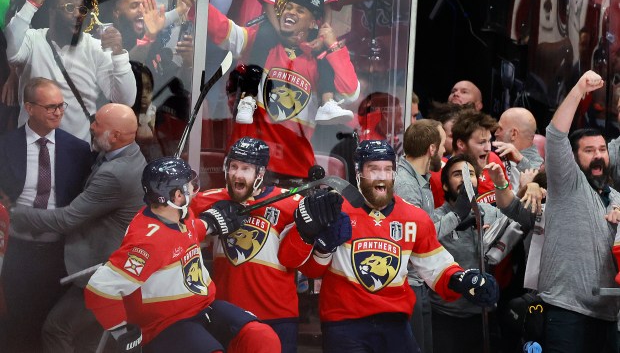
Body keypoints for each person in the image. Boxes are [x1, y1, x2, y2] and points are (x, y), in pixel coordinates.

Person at [292, 140, 500, 352]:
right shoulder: (336, 209)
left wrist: (462, 280)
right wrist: (322, 247)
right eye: (373, 169)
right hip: (345, 323)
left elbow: (436, 267)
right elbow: (310, 270)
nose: (382, 176)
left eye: (388, 169)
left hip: (394, 323)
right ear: (358, 172)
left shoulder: (414, 217)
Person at [84, 156, 282, 352]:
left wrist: (209, 224)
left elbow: (184, 233)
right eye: (190, 185)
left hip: (204, 306)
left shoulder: (178, 215)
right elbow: (99, 289)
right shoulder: (147, 242)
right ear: (177, 196)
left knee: (263, 338)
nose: (195, 188)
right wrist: (121, 330)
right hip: (167, 323)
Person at [8, 103, 146, 352]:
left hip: (102, 272)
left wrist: (18, 214)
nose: (91, 127)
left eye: (97, 124)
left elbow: (67, 219)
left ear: (114, 136)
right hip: (103, 264)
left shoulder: (116, 173)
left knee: (57, 328)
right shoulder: (129, 152)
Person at [190, 136, 347, 352]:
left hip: (278, 317)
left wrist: (323, 244)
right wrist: (203, 224)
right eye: (233, 166)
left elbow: (311, 270)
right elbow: (174, 238)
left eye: (245, 168)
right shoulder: (208, 201)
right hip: (227, 314)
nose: (237, 174)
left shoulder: (291, 205)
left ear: (260, 174)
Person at [209, 0, 360, 183]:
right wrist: (195, 2)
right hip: (246, 166)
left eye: (300, 10)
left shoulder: (320, 62)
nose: (290, 12)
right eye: (288, 7)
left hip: (295, 171)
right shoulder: (259, 42)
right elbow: (223, 29)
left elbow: (351, 92)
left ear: (313, 22)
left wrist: (333, 45)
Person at [0, 78, 92, 353]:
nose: (58, 112)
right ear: (29, 108)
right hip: (17, 248)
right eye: (50, 107)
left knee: (52, 324)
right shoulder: (6, 145)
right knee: (16, 322)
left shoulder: (77, 149)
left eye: (61, 106)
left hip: (60, 252)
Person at [541, 70, 620, 352]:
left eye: (602, 148)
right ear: (573, 159)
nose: (599, 155)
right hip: (567, 312)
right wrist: (578, 90)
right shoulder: (568, 184)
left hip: (609, 315)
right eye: (589, 150)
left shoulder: (617, 199)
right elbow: (555, 134)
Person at [430, 154, 534, 353]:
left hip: (485, 314)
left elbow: (524, 221)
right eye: (458, 174)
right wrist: (457, 217)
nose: (465, 179)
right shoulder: (436, 218)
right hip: (446, 317)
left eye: (470, 174)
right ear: (444, 185)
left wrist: (530, 187)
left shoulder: (489, 212)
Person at [6, 0, 136, 141]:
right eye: (69, 8)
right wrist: (31, 5)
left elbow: (125, 100)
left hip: (76, 153)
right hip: (30, 146)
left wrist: (119, 55)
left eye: (82, 9)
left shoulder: (96, 48)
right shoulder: (33, 40)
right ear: (52, 13)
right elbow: (11, 51)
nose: (78, 15)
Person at [393, 119, 470, 353]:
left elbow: (425, 228)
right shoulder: (405, 185)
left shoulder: (421, 182)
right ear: (432, 149)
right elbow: (417, 239)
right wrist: (457, 215)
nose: (446, 150)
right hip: (407, 283)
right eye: (443, 145)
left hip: (419, 282)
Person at [450, 108, 508, 206]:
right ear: (461, 144)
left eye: (489, 141)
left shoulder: (493, 160)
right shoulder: (445, 171)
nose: (488, 148)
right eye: (482, 142)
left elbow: (510, 205)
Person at [493, 107, 544, 190]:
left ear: (513, 134)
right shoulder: (497, 156)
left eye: (500, 129)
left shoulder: (539, 166)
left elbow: (538, 180)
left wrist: (520, 160)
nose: (495, 133)